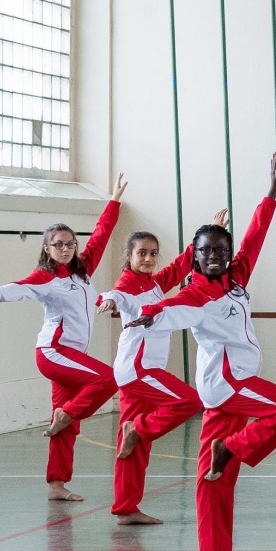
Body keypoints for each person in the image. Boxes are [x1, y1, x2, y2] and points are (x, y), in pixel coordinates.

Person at [128, 154, 276, 551]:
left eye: (221, 250)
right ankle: (230, 447)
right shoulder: (199, 291)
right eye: (206, 251)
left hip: (226, 387)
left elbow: (254, 239)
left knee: (214, 473)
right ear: (194, 256)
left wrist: (270, 195)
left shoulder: (236, 279)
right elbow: (175, 304)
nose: (215, 256)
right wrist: (152, 314)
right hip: (229, 382)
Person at [0, 176, 125, 500]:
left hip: (67, 357)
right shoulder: (46, 277)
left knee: (66, 423)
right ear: (47, 247)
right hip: (53, 352)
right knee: (109, 379)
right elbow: (20, 286)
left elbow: (101, 233)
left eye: (70, 243)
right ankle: (66, 414)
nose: (66, 249)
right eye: (59, 244)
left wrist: (114, 201)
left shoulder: (83, 271)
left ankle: (57, 485)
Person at [98, 214, 214, 522]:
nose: (148, 258)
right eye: (141, 253)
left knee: (135, 447)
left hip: (137, 371)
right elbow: (115, 294)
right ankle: (137, 428)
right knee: (189, 401)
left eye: (152, 253)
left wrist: (205, 236)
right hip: (139, 370)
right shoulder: (128, 284)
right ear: (129, 255)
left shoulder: (153, 284)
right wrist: (109, 301)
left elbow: (178, 267)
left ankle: (126, 508)